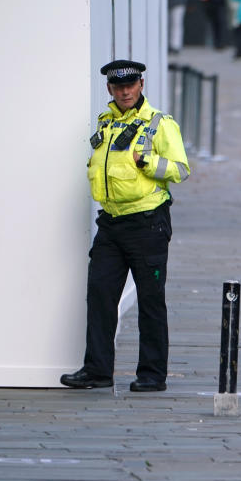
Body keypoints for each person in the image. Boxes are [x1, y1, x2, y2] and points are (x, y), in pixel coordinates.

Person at [61, 60, 190, 392]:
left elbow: (180, 169)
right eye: (118, 87)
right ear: (110, 90)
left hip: (147, 223)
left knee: (150, 299)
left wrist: (146, 161)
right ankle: (97, 370)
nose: (125, 92)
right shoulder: (106, 123)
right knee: (100, 296)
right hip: (110, 223)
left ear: (141, 85)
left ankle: (151, 374)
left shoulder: (159, 123)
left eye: (130, 86)